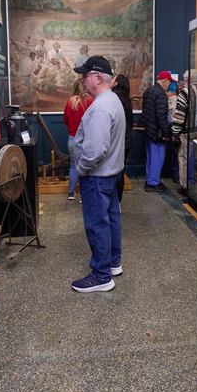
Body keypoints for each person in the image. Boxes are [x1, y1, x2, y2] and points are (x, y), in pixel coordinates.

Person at [71, 56, 126, 293]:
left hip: (97, 175)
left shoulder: (101, 107)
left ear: (98, 77)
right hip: (111, 174)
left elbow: (95, 150)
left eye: (85, 76)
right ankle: (113, 263)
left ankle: (101, 275)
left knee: (96, 223)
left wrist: (81, 169)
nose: (82, 81)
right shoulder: (112, 100)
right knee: (110, 219)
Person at [172, 69, 197, 194]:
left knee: (183, 159)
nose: (184, 81)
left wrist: (175, 132)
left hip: (187, 131)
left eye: (184, 79)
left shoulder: (184, 92)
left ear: (188, 79)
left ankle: (185, 186)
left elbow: (179, 114)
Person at [141, 70, 173, 191]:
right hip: (157, 133)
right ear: (164, 80)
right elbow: (161, 116)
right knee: (157, 158)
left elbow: (146, 112)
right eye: (169, 82)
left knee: (151, 157)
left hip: (149, 130)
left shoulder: (148, 91)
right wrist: (167, 132)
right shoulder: (161, 94)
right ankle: (153, 183)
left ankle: (150, 179)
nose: (169, 85)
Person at [63, 79, 93, 200]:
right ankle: (84, 196)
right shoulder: (90, 101)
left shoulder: (70, 102)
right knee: (86, 167)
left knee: (74, 166)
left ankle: (71, 193)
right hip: (86, 138)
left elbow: (65, 120)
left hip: (72, 138)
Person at [111, 74, 134, 202]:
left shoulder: (113, 97)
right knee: (121, 169)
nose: (112, 81)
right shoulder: (127, 99)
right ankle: (118, 200)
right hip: (127, 139)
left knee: (113, 171)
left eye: (114, 79)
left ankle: (113, 200)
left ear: (117, 83)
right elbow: (130, 122)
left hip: (118, 139)